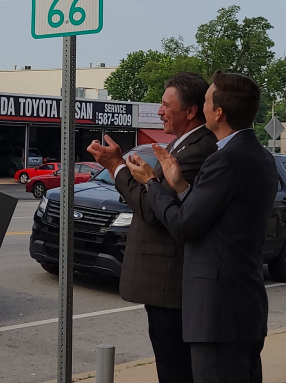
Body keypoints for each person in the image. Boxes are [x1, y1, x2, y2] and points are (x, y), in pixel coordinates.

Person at [125, 72, 278, 383]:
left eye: (207, 101)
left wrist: (152, 184)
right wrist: (180, 185)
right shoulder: (261, 156)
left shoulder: (224, 160)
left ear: (217, 112)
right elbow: (217, 215)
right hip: (245, 304)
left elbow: (183, 226)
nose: (203, 105)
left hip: (218, 310)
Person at [87, 72, 217, 383]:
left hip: (170, 283)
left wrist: (117, 168)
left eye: (165, 105)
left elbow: (151, 208)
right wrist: (127, 168)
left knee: (175, 368)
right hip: (165, 284)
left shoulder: (198, 149)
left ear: (190, 111)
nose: (159, 111)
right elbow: (154, 195)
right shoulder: (181, 145)